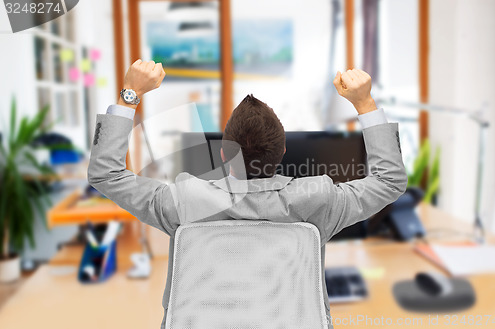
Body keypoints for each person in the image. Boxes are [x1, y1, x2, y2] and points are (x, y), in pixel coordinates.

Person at [88, 59, 407, 328]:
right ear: (282, 152)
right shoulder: (317, 201)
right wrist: (365, 103)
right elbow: (389, 180)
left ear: (225, 154)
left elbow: (106, 173)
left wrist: (130, 95)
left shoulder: (182, 202)